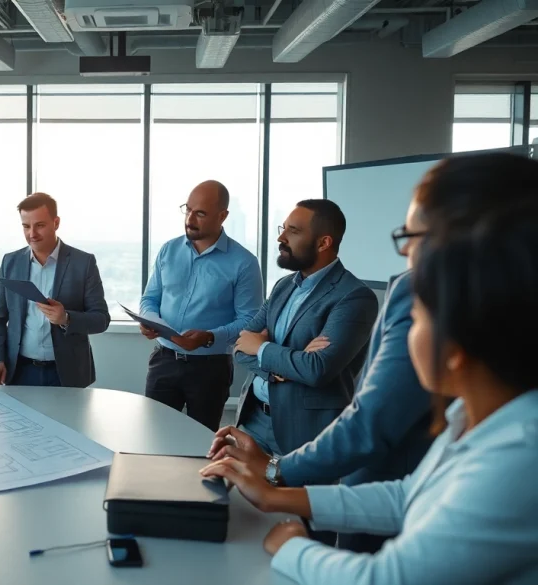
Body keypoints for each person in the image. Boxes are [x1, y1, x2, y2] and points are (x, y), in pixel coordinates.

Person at [208, 152, 538, 554]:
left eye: (412, 237)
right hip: (267, 427)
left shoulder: (365, 295)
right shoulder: (463, 417)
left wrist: (293, 538)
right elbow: (245, 344)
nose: (404, 256)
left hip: (318, 442)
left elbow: (325, 377)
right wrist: (276, 359)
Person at [232, 200, 377, 457]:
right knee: (240, 497)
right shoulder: (283, 286)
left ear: (323, 243)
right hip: (254, 421)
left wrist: (263, 348)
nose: (281, 237)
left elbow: (316, 370)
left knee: (292, 498)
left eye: (293, 231)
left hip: (305, 432)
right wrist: (279, 367)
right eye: (283, 228)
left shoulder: (354, 297)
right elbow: (242, 345)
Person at [139, 180, 263, 431]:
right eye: (188, 209)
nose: (190, 218)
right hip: (164, 360)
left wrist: (209, 337)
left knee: (202, 442)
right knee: (153, 437)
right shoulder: (168, 250)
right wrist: (149, 320)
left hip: (210, 369)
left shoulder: (244, 263)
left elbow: (250, 321)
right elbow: (150, 298)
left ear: (223, 216)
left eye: (201, 213)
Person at [0, 192, 111, 388]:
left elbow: (101, 319)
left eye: (40, 225)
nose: (32, 234)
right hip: (19, 371)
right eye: (26, 226)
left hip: (67, 374)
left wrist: (66, 319)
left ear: (56, 222)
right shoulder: (10, 262)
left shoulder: (83, 263)